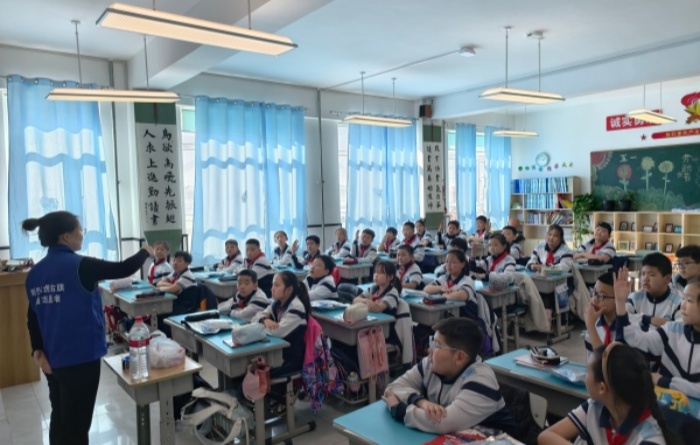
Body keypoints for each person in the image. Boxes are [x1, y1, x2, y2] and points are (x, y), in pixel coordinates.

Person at [23, 211, 154, 445]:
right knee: (77, 426)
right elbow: (123, 268)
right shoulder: (81, 265)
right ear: (66, 236)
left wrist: (37, 350)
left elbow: (32, 315)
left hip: (51, 359)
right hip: (81, 359)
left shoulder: (34, 274)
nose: (82, 234)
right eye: (79, 230)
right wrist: (145, 251)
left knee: (61, 417)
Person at [383, 318, 515, 435]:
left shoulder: (481, 379)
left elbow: (442, 423)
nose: (429, 350)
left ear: (459, 357)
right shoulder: (430, 364)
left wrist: (398, 409)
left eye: (437, 345)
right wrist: (420, 401)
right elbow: (393, 388)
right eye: (432, 342)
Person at [538, 342, 674, 445]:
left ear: (602, 388)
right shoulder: (595, 406)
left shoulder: (649, 438)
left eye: (587, 371)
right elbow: (545, 437)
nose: (584, 375)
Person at [614, 267, 700, 398]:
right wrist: (620, 304)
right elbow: (637, 341)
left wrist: (663, 381)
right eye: (683, 298)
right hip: (665, 404)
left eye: (689, 300)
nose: (683, 305)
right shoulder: (672, 330)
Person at [253, 271, 311, 377]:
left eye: (276, 285)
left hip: (290, 359)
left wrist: (259, 326)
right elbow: (255, 317)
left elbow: (277, 332)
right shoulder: (276, 304)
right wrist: (264, 320)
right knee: (250, 369)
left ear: (289, 290)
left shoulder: (296, 307)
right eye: (272, 285)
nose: (272, 289)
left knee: (255, 374)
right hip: (277, 353)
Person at [625, 252, 682, 332]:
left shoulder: (678, 301)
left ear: (667, 279)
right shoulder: (634, 298)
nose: (645, 279)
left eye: (651, 275)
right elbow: (622, 318)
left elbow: (681, 328)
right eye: (643, 274)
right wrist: (650, 319)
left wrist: (639, 319)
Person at [583, 272, 618, 361]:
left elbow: (607, 363)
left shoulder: (627, 328)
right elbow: (591, 362)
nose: (594, 300)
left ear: (618, 299)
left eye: (601, 296)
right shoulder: (594, 323)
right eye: (594, 293)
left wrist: (591, 327)